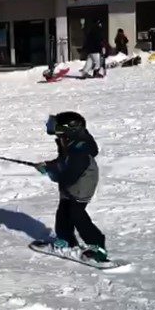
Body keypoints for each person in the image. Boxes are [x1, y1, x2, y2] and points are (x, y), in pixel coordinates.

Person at [34, 111, 107, 262]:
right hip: (70, 182)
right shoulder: (68, 140)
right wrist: (48, 165)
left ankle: (97, 247)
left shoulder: (80, 149)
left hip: (81, 184)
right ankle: (66, 242)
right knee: (63, 213)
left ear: (70, 128)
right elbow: (63, 161)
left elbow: (71, 172)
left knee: (77, 215)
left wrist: (51, 173)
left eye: (58, 126)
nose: (54, 128)